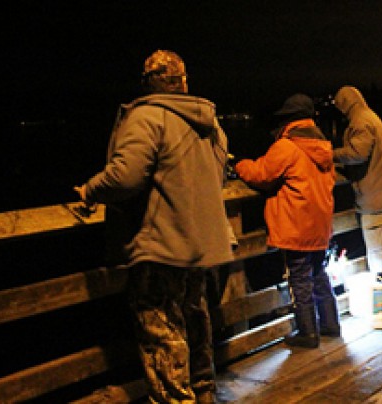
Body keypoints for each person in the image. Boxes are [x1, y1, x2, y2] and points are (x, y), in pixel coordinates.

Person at [74, 50, 233, 403]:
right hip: (201, 244)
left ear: (147, 82)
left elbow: (126, 176)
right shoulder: (210, 121)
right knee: (195, 321)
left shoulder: (146, 117)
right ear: (184, 81)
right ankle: (204, 393)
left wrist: (90, 189)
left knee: (162, 331)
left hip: (160, 243)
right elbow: (219, 172)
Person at [233, 93, 339, 349]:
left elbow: (261, 174)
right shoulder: (324, 148)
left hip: (296, 223)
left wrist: (240, 164)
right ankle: (330, 324)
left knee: (299, 277)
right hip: (320, 223)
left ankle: (308, 332)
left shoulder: (287, 146)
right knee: (318, 273)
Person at [332, 86, 382, 275]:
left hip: (376, 200)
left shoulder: (360, 121)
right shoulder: (372, 117)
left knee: (381, 256)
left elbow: (358, 153)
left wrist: (330, 155)